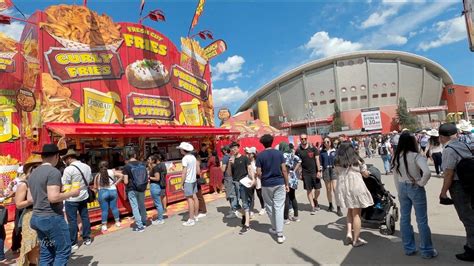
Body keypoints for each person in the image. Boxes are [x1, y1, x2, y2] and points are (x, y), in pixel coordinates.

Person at [29, 144, 80, 265]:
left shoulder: (33, 173)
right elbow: (53, 198)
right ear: (57, 156)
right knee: (63, 251)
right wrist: (72, 192)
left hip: (37, 217)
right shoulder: (53, 172)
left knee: (47, 252)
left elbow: (31, 198)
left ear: (42, 157)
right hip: (51, 218)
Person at [392, 132, 438, 259]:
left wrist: (399, 190)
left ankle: (409, 248)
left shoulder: (396, 157)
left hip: (402, 187)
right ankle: (427, 250)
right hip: (415, 186)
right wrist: (421, 183)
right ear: (413, 142)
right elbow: (427, 172)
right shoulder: (416, 156)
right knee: (422, 220)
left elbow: (395, 177)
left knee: (405, 219)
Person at [438, 123, 474, 261]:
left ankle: (471, 249)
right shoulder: (462, 145)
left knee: (467, 218)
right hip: (470, 184)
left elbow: (449, 173)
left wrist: (443, 192)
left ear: (441, 137)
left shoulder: (448, 150)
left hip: (459, 187)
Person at [334, 142, 374, 247]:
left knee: (349, 210)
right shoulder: (357, 160)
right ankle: (356, 240)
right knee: (356, 214)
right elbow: (365, 174)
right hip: (356, 187)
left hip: (343, 188)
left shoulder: (337, 161)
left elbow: (337, 173)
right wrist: (367, 173)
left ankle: (349, 234)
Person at [256, 134, 289, 244]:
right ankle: (280, 234)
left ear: (262, 143)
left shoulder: (260, 156)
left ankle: (275, 228)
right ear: (272, 141)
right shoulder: (279, 154)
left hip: (266, 184)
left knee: (269, 207)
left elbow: (259, 172)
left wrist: (263, 177)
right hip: (279, 183)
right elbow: (284, 170)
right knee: (279, 207)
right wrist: (287, 183)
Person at [61, 149, 93, 249]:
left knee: (72, 221)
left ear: (69, 158)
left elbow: (65, 183)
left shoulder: (68, 169)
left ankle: (73, 242)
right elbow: (90, 179)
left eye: (65, 159)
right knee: (85, 217)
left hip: (71, 198)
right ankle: (87, 238)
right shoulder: (87, 167)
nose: (65, 162)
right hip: (84, 195)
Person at [15, 155, 42, 266]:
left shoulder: (42, 183)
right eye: (37, 167)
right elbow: (18, 204)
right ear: (31, 169)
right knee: (32, 246)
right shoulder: (24, 184)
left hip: (42, 214)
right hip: (30, 216)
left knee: (40, 245)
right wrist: (31, 201)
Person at [228, 142, 253, 234]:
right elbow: (229, 174)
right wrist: (230, 164)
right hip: (235, 183)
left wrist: (253, 180)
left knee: (245, 203)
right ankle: (245, 215)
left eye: (235, 148)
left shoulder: (245, 158)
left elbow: (249, 169)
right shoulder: (231, 160)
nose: (233, 150)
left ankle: (247, 225)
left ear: (238, 148)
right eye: (232, 149)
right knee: (234, 205)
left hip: (243, 183)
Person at [296, 134, 322, 214]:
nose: (303, 140)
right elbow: (297, 162)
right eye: (302, 139)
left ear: (307, 139)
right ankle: (313, 206)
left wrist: (319, 171)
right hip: (305, 173)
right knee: (309, 190)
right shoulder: (298, 150)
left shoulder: (313, 148)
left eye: (305, 138)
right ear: (300, 139)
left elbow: (317, 159)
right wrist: (300, 172)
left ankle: (315, 199)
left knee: (318, 189)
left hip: (314, 171)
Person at [123, 150, 149, 232]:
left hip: (132, 189)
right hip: (142, 187)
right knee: (142, 205)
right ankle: (144, 222)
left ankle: (140, 226)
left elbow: (126, 181)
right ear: (135, 155)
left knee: (135, 207)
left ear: (128, 156)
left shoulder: (127, 166)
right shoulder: (142, 164)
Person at [94, 161, 123, 232]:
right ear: (107, 166)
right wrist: (115, 183)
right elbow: (122, 176)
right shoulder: (112, 171)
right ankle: (117, 222)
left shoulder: (97, 175)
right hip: (113, 191)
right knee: (114, 208)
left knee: (104, 210)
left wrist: (96, 195)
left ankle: (104, 226)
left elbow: (95, 187)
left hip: (103, 192)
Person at [320, 138, 343, 217]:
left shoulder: (335, 151)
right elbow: (320, 163)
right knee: (328, 189)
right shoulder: (322, 152)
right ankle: (330, 205)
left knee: (335, 189)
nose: (326, 143)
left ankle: (338, 207)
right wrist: (320, 171)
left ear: (331, 142)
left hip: (334, 170)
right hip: (326, 170)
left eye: (328, 141)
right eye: (325, 142)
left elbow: (339, 161)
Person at [178, 142, 199, 226]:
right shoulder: (193, 157)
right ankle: (196, 215)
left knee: (189, 199)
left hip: (188, 181)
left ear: (183, 150)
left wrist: (181, 183)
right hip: (193, 180)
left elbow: (184, 172)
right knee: (195, 197)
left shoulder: (185, 158)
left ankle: (191, 219)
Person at [280, 142, 301, 224]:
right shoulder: (291, 154)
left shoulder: (283, 155)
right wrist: (294, 170)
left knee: (286, 198)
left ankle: (286, 218)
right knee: (293, 197)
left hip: (287, 177)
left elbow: (285, 167)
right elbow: (299, 160)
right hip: (293, 176)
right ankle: (296, 216)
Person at [246, 147, 265, 216]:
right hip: (250, 180)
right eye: (247, 153)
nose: (247, 155)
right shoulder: (247, 162)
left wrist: (257, 174)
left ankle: (263, 207)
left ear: (253, 154)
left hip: (258, 180)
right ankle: (251, 209)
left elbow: (261, 171)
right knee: (251, 196)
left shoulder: (257, 161)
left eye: (249, 154)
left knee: (259, 195)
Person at [149, 154, 167, 225]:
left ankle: (160, 219)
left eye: (149, 159)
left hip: (155, 186)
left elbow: (157, 178)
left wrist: (149, 178)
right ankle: (160, 218)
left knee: (158, 204)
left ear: (153, 160)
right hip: (155, 186)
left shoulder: (156, 168)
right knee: (158, 203)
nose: (148, 160)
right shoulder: (154, 167)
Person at [221, 146, 239, 218]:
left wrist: (220, 166)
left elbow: (223, 169)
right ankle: (234, 209)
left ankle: (234, 211)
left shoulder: (225, 158)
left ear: (225, 151)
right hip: (232, 176)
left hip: (228, 177)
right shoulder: (231, 156)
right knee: (233, 193)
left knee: (231, 194)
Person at [194, 154, 208, 219]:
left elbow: (198, 172)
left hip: (196, 179)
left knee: (199, 196)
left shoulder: (196, 162)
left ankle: (203, 211)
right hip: (195, 179)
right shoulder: (197, 161)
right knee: (198, 196)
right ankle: (200, 209)